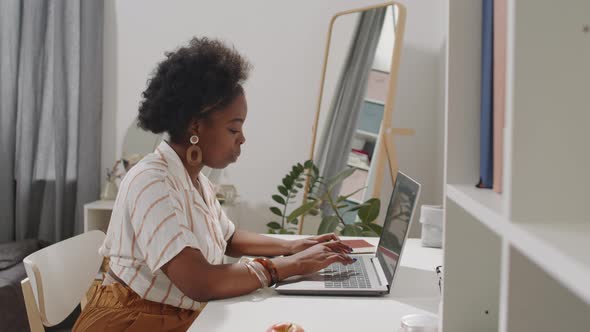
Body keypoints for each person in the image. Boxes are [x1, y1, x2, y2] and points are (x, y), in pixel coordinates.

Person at [73, 37, 354, 331]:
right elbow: (199, 281)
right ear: (195, 126)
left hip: (175, 315)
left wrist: (293, 246)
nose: (242, 138)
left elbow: (229, 238)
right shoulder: (151, 182)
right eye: (234, 128)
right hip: (132, 322)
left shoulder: (194, 180)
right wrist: (289, 266)